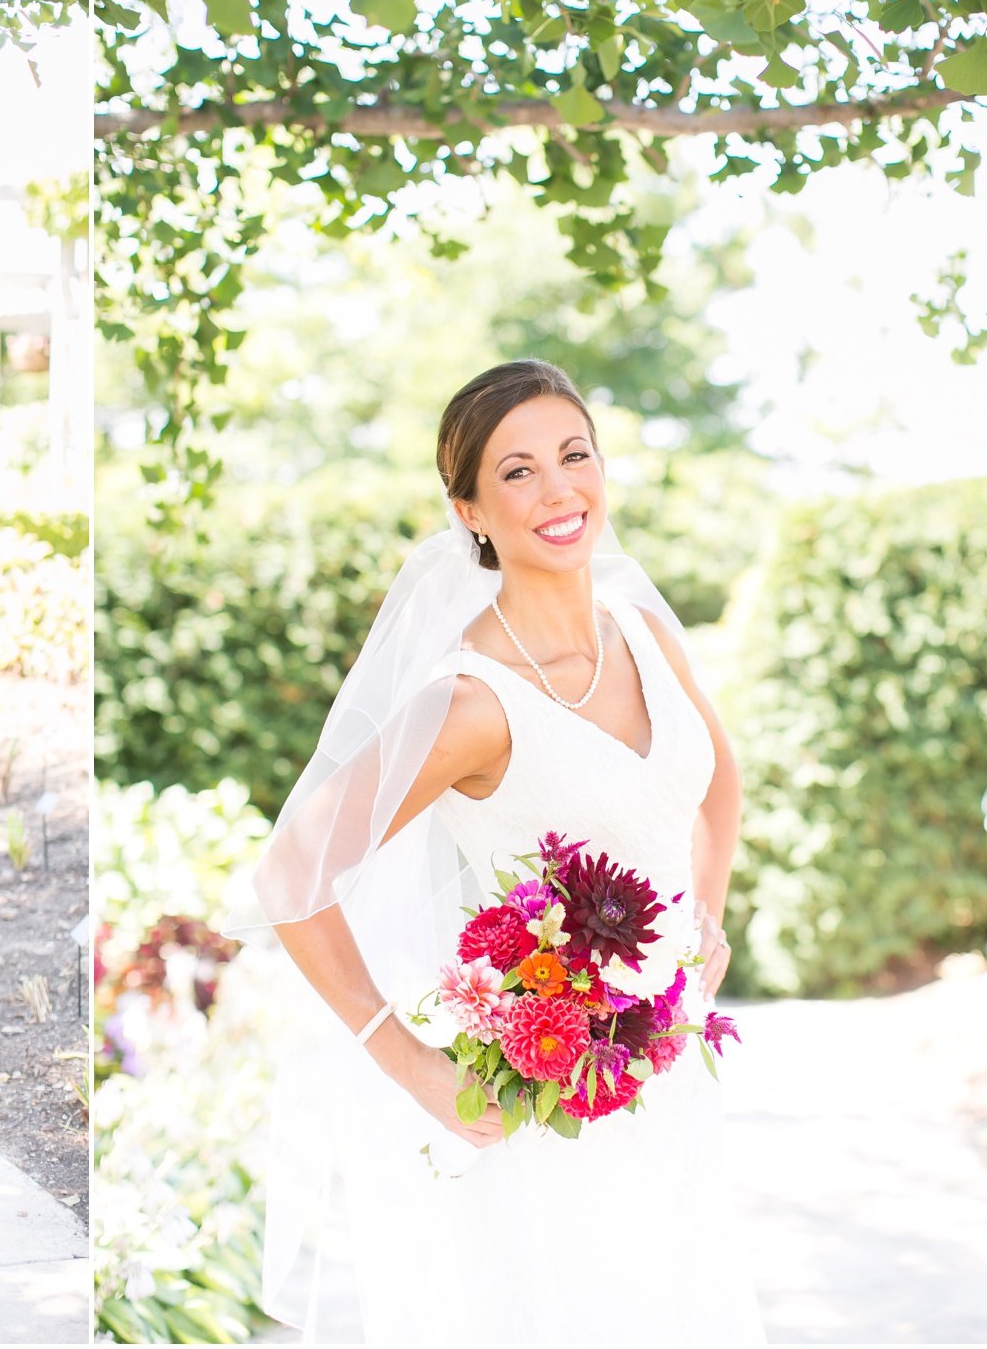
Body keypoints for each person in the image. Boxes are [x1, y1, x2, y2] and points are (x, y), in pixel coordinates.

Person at [232, 359, 764, 1342]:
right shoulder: (464, 700)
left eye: (573, 453)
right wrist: (410, 1064)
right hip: (549, 1097)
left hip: (669, 1071)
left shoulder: (641, 627)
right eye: (516, 471)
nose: (557, 488)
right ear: (467, 508)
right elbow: (288, 877)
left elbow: (714, 777)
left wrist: (704, 916)